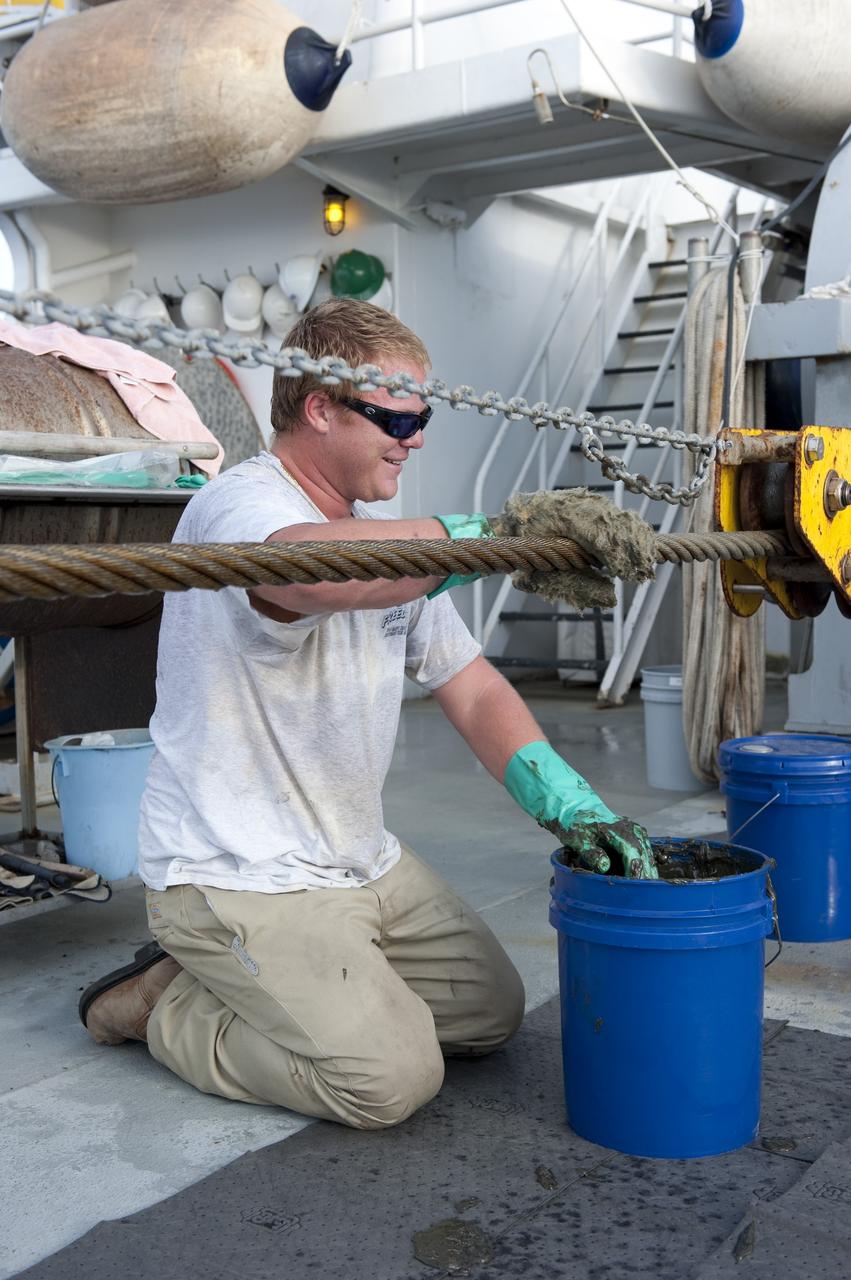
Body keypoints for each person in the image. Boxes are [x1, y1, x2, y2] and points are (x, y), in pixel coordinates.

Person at [79, 299, 654, 1130]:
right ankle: (161, 1005)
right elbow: (304, 575)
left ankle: (283, 978)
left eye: (421, 415)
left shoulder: (388, 544)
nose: (413, 436)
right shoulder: (237, 506)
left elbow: (471, 687)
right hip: (237, 870)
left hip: (357, 860)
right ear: (319, 408)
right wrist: (489, 535)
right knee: (387, 1081)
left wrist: (569, 805)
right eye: (393, 414)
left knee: (488, 1016)